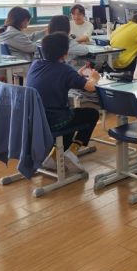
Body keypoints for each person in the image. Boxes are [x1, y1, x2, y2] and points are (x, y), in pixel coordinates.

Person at [26, 32, 101, 172]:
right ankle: (72, 151)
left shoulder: (35, 65)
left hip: (34, 120)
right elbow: (90, 88)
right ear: (66, 52)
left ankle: (54, 157)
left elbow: (55, 80)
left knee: (70, 115)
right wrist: (95, 78)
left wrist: (76, 75)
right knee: (91, 114)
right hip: (55, 121)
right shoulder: (65, 70)